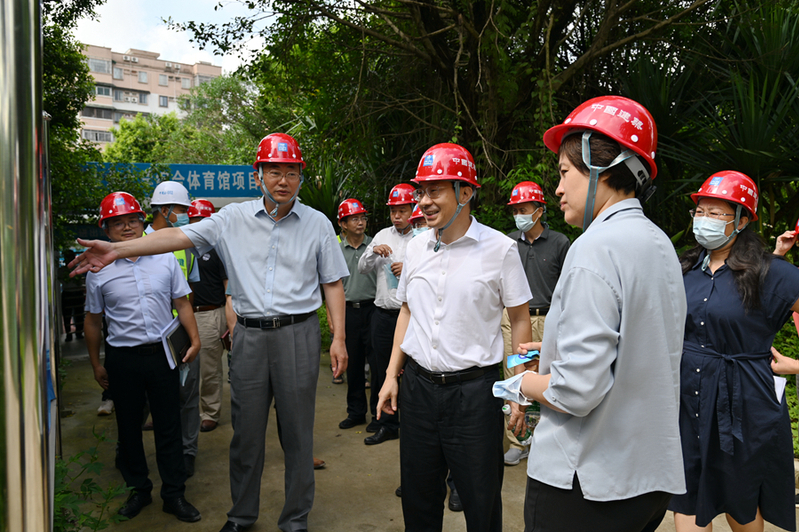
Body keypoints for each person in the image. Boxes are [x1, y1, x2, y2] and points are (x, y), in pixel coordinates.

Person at [69, 132, 349, 532]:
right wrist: (117, 250)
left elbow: (332, 282)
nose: (283, 180)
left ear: (300, 176)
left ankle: (295, 519)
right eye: (274, 171)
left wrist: (338, 337)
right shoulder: (232, 218)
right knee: (246, 434)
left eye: (291, 172)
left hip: (297, 334)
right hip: (249, 336)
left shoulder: (317, 224)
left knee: (298, 433)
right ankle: (242, 515)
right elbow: (177, 236)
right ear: (258, 175)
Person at [516, 96, 687, 532]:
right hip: (646, 480)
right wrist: (553, 347)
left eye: (563, 172)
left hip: (585, 485)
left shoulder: (593, 247)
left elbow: (576, 391)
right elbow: (639, 344)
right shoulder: (659, 244)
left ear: (600, 166)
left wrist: (520, 383)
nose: (557, 189)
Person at [377, 143, 533, 531]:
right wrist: (391, 375)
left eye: (435, 191)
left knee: (481, 502)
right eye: (421, 191)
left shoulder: (500, 249)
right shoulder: (416, 248)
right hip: (418, 391)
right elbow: (407, 311)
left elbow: (519, 320)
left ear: (465, 192)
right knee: (418, 500)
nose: (424, 201)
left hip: (474, 396)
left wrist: (518, 390)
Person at [669, 171, 799, 532]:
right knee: (687, 493)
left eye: (716, 213)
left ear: (742, 221)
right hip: (687, 399)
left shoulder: (774, 273)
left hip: (744, 402)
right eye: (700, 211)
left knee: (740, 501)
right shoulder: (683, 269)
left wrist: (796, 365)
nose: (704, 220)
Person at [83, 192, 201, 522]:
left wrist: (194, 340)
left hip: (162, 356)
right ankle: (139, 490)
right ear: (106, 230)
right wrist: (96, 364)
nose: (127, 227)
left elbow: (182, 303)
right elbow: (92, 320)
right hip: (123, 360)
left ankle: (174, 495)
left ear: (142, 222)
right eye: (117, 223)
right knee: (128, 427)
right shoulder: (98, 270)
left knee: (169, 425)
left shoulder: (164, 258)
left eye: (132, 220)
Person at [501, 181, 570, 466]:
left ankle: (545, 439)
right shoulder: (508, 243)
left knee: (546, 378)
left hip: (548, 320)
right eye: (515, 210)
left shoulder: (560, 243)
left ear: (539, 211)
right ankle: (517, 441)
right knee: (514, 377)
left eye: (524, 209)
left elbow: (568, 287)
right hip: (514, 320)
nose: (519, 215)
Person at [147, 180, 202, 477]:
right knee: (151, 399)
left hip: (179, 332)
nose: (185, 215)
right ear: (165, 210)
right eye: (181, 209)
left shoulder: (186, 245)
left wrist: (190, 333)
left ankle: (187, 452)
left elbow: (189, 293)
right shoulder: (137, 242)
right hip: (149, 335)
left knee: (188, 395)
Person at [357, 183, 415, 444]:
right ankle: (388, 425)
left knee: (412, 372)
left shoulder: (423, 236)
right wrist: (372, 250)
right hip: (382, 316)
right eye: (393, 211)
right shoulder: (381, 235)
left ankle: (412, 425)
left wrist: (409, 269)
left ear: (413, 209)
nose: (397, 216)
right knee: (382, 371)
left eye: (402, 210)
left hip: (411, 316)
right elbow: (362, 268)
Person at [336, 198, 378, 432]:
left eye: (362, 218)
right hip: (348, 312)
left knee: (377, 364)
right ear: (343, 224)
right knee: (352, 365)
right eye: (354, 219)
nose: (360, 222)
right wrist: (332, 318)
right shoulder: (336, 251)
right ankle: (356, 412)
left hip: (374, 310)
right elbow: (331, 285)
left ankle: (379, 414)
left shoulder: (376, 246)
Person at [187, 199, 228, 433]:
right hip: (181, 314)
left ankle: (210, 412)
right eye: (194, 220)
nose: (198, 226)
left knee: (209, 368)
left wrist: (230, 318)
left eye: (203, 221)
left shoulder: (218, 249)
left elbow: (228, 286)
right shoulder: (179, 248)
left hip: (210, 314)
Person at [60, 249, 85, 342]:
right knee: (67, 315)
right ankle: (68, 334)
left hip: (77, 292)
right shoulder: (62, 270)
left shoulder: (79, 268)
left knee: (79, 314)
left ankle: (79, 333)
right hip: (67, 293)